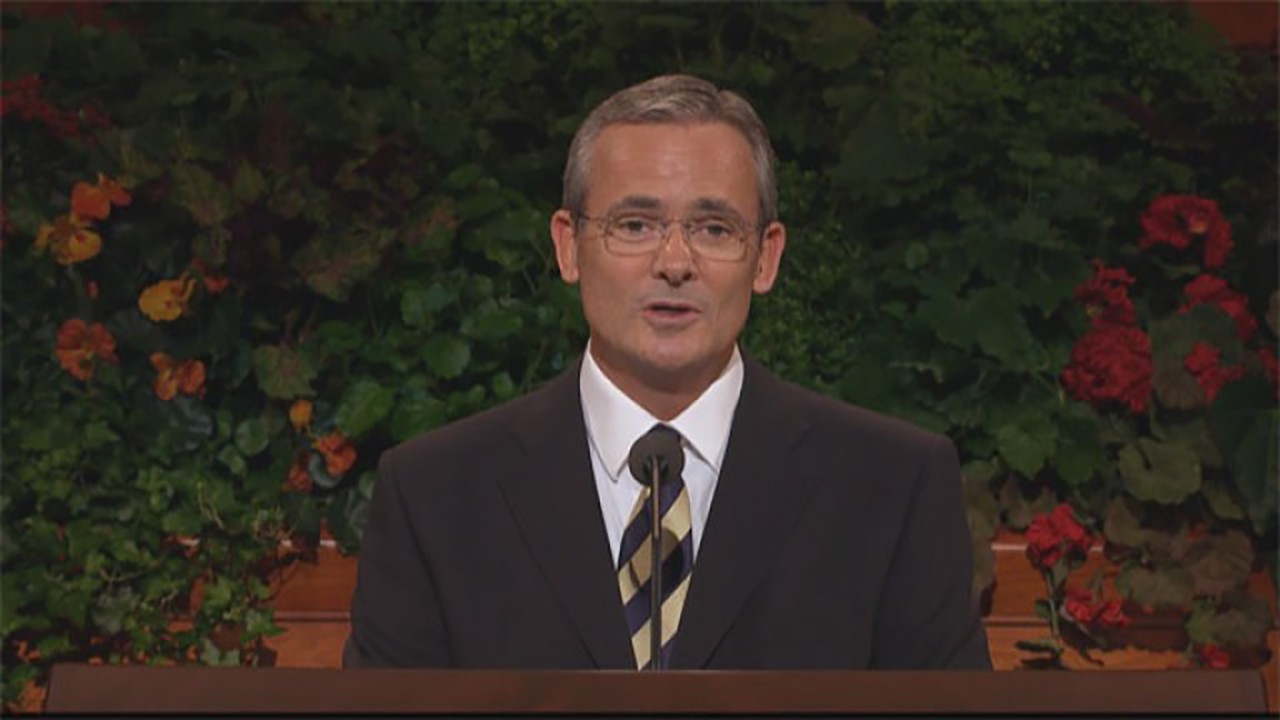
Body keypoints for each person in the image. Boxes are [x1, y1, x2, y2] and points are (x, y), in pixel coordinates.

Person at [342, 74, 991, 670]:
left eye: (714, 229)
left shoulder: (893, 486)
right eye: (635, 225)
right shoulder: (434, 494)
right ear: (568, 247)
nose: (675, 263)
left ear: (766, 258)